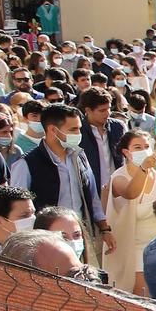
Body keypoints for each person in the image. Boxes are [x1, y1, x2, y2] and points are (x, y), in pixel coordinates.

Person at [10, 103, 109, 256]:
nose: (78, 134)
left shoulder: (79, 156)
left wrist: (104, 228)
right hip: (46, 243)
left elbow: (92, 195)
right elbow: (19, 211)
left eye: (79, 129)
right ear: (52, 130)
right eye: (72, 130)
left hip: (78, 238)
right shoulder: (26, 164)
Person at [101, 128, 156, 295]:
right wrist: (142, 169)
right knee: (141, 295)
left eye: (146, 146)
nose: (144, 150)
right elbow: (131, 193)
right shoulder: (119, 177)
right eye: (137, 147)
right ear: (126, 152)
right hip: (132, 248)